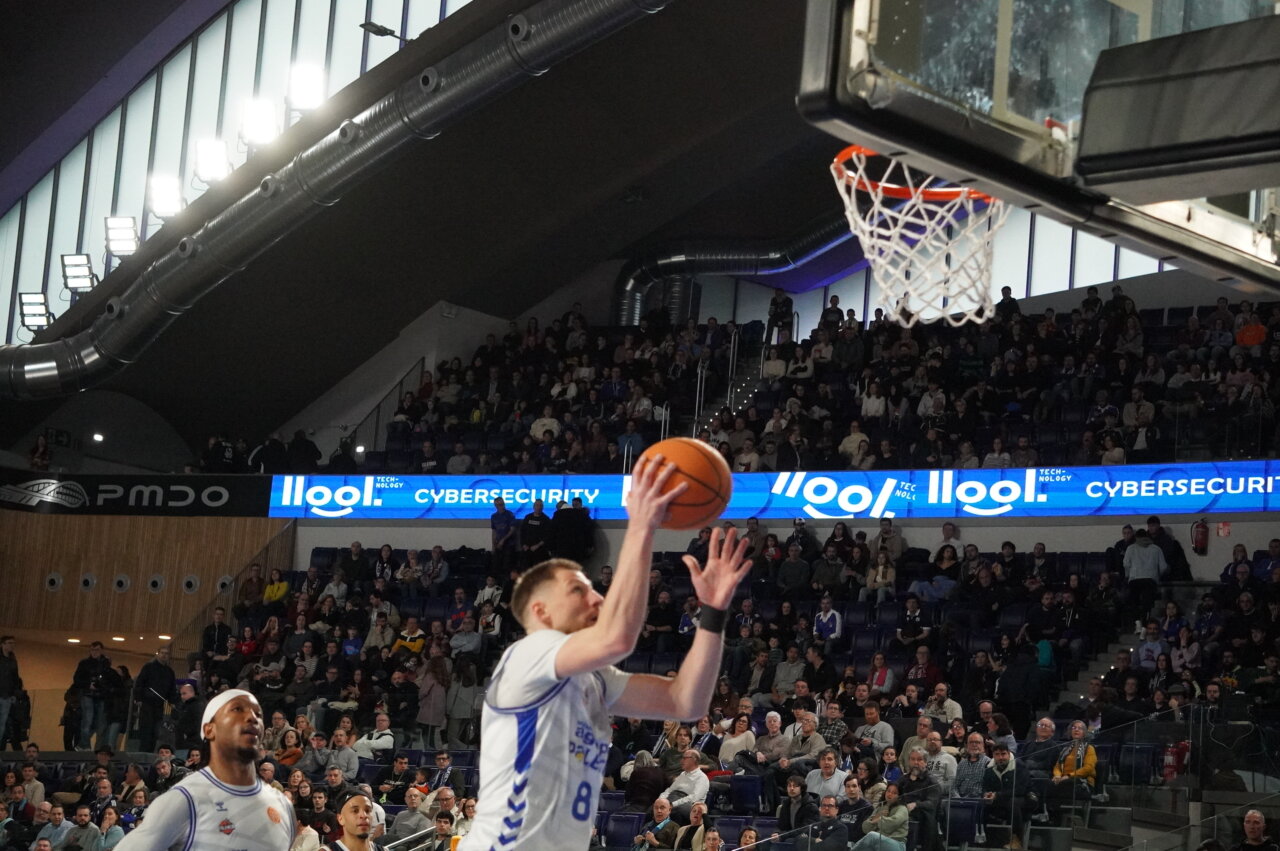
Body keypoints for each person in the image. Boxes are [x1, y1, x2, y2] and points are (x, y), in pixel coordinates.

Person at [459, 456, 751, 851]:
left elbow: (686, 700)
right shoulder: (525, 658)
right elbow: (618, 637)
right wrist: (643, 525)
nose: (597, 596)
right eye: (578, 590)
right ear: (540, 611)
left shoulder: (598, 676)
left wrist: (714, 613)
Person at [116, 689, 295, 850]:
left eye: (258, 714)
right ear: (209, 730)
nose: (253, 718)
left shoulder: (283, 805)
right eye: (237, 710)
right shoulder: (184, 799)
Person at [851, 782, 910, 851]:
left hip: (897, 844)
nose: (890, 794)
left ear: (899, 796)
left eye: (894, 793)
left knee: (872, 836)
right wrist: (874, 820)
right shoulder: (880, 807)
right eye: (888, 791)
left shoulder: (902, 809)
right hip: (880, 843)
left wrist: (879, 819)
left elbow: (891, 824)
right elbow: (865, 828)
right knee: (870, 840)